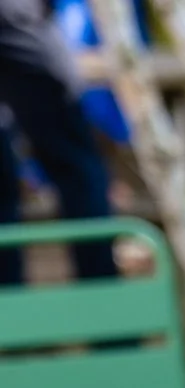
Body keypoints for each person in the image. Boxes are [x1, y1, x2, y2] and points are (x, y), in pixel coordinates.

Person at [0, 0, 116, 287]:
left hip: (25, 29)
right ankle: (12, 318)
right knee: (79, 171)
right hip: (24, 25)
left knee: (79, 171)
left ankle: (106, 306)